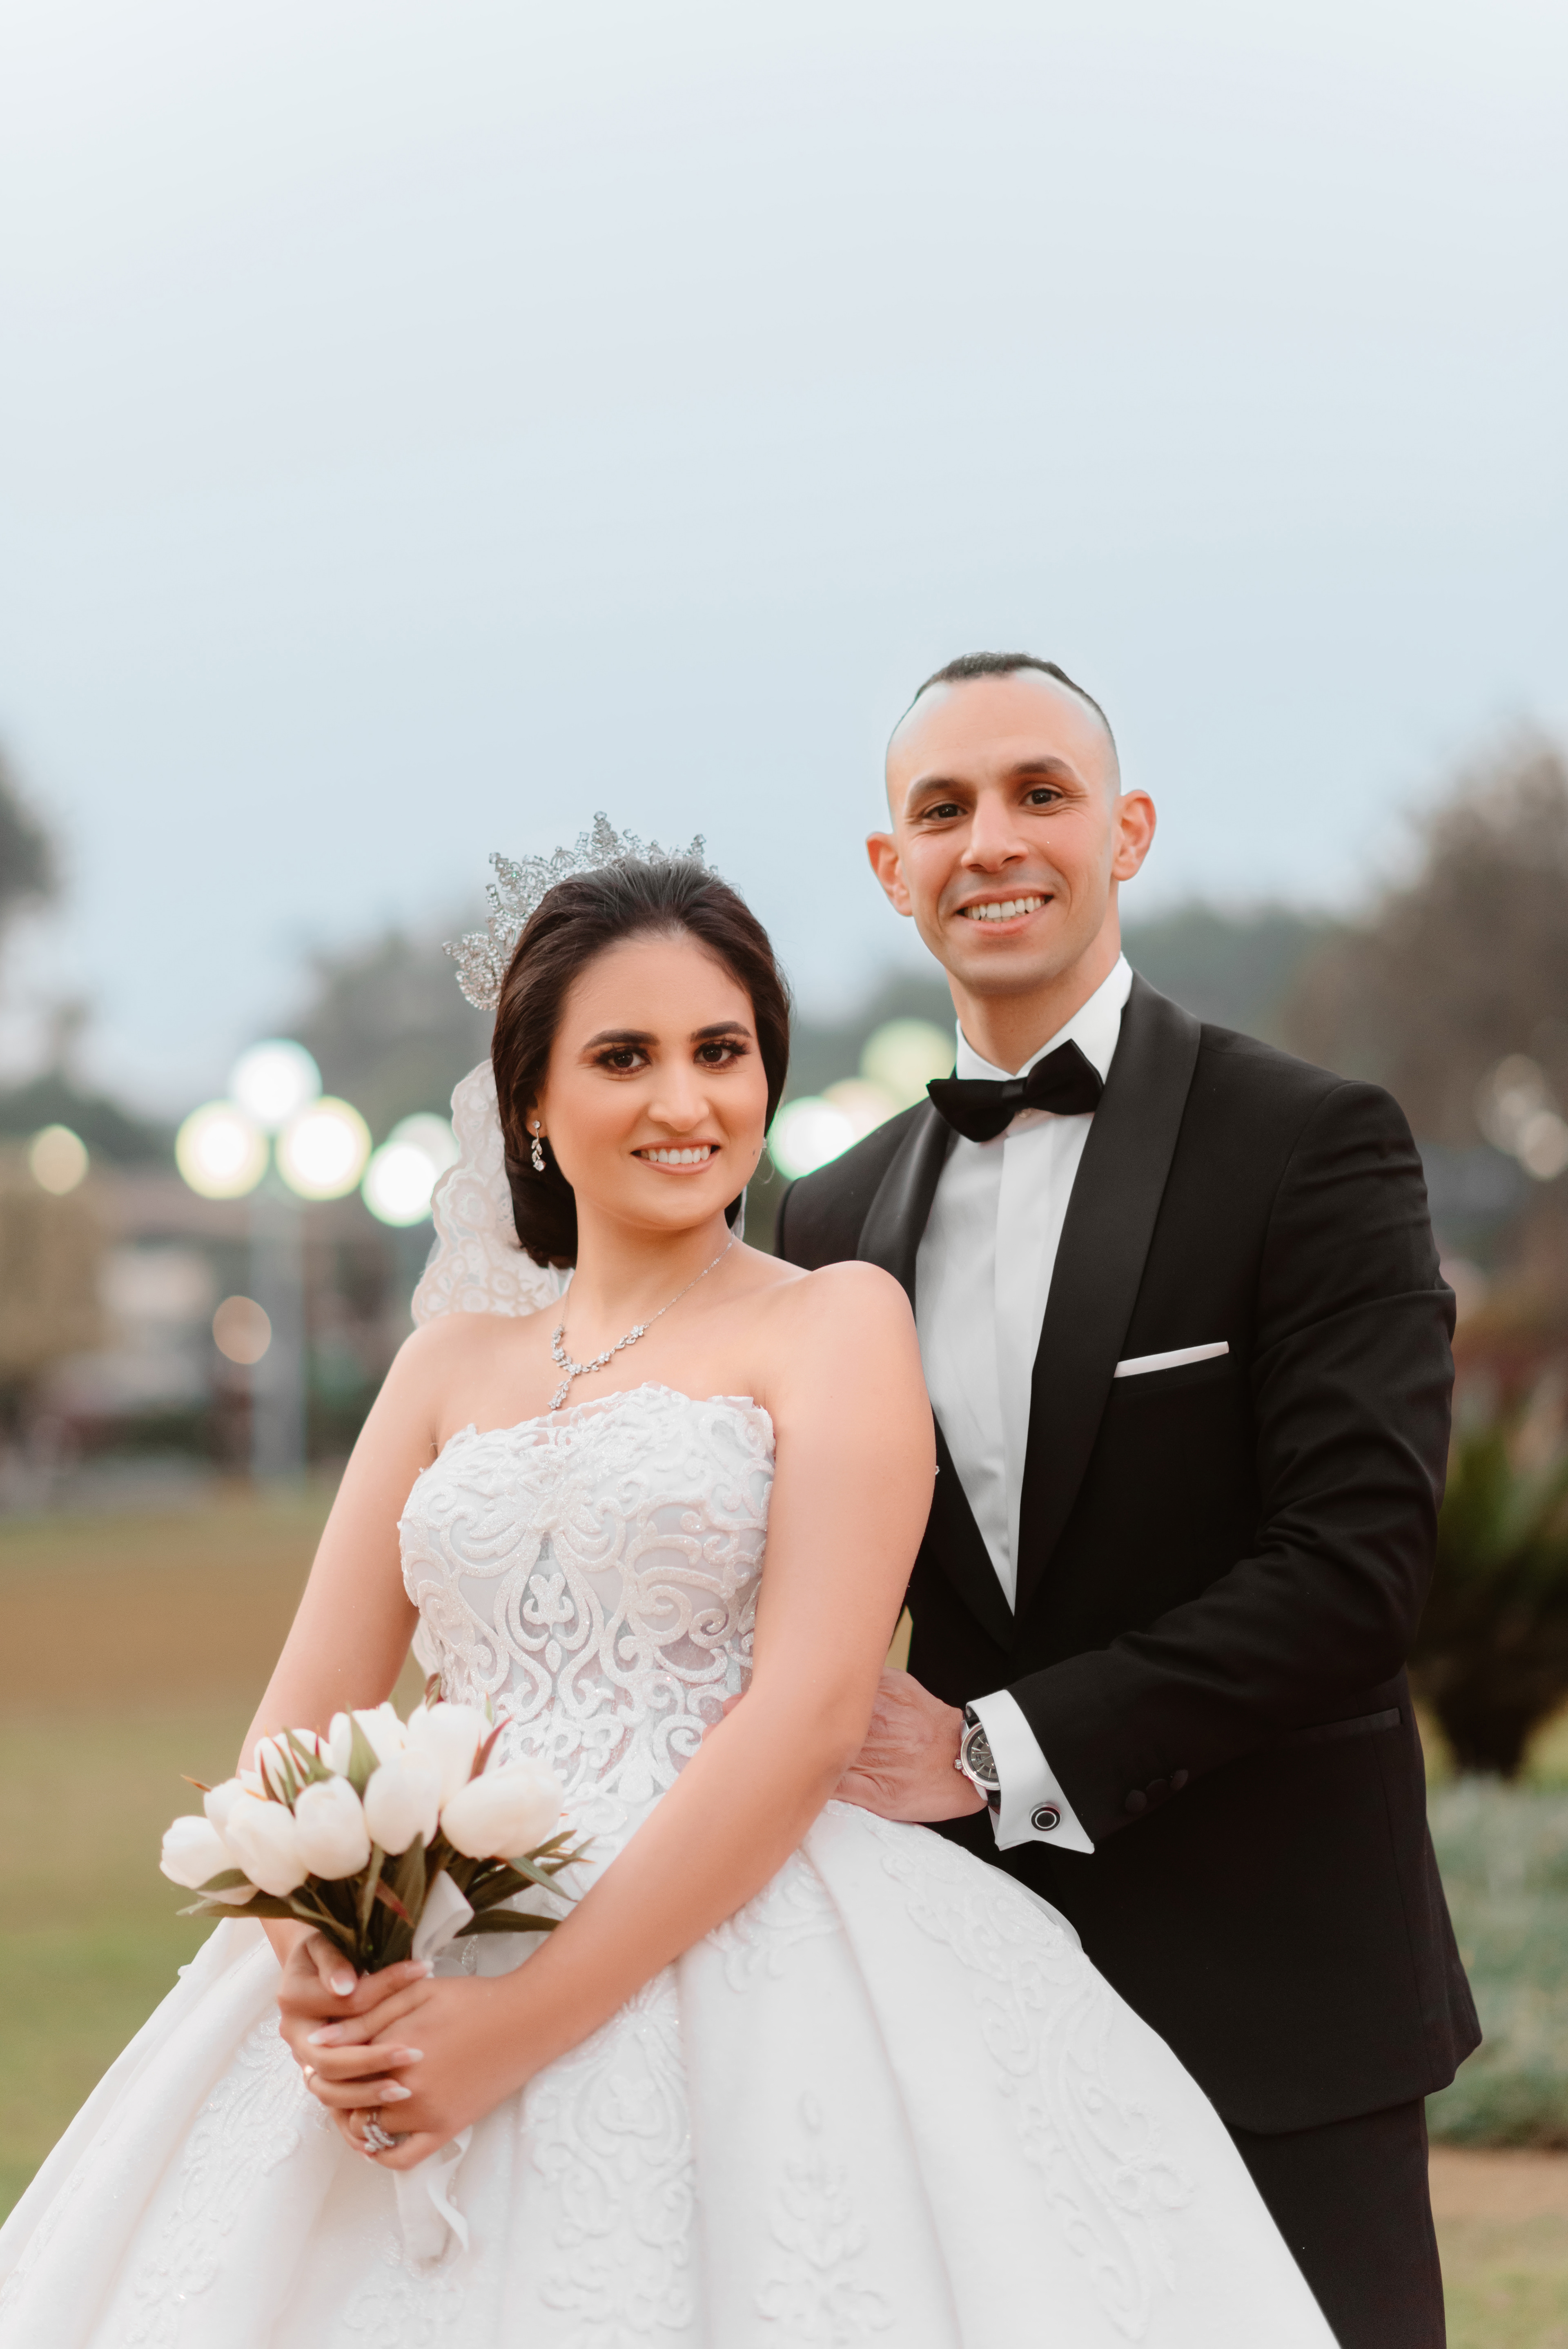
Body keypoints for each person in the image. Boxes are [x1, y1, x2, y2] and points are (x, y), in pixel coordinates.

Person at [0, 836, 1336, 2347]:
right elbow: (295, 1733)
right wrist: (320, 1969)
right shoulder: (446, 1366)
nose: (684, 1102)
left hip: (753, 1921)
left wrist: (513, 2028)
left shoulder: (832, 1322)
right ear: (530, 1101)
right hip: (431, 1926)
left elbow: (813, 1708)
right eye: (623, 1057)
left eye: (722, 1051)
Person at [774, 653, 1479, 2349]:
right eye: (941, 808)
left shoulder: (1312, 1145)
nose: (990, 840)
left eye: (1040, 792)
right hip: (967, 2004)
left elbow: (1358, 1569)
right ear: (892, 867)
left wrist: (993, 1747)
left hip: (1282, 1996)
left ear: (1128, 831)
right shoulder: (826, 1218)